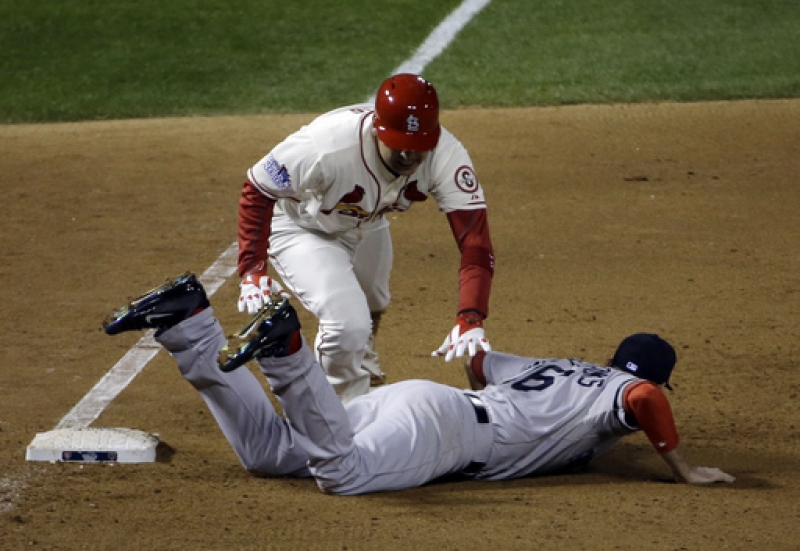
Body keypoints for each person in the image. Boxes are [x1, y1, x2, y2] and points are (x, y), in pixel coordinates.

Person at [103, 273, 735, 495]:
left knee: (271, 456)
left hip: (415, 402)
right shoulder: (614, 399)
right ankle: (288, 352)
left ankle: (189, 321)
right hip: (446, 434)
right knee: (341, 476)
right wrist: (681, 468)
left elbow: (482, 364)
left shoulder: (563, 368)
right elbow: (644, 399)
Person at [236, 73, 495, 402]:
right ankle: (338, 412)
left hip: (365, 221)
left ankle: (362, 366)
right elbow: (258, 188)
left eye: (418, 148)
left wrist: (471, 315)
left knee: (373, 302)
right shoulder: (325, 147)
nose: (408, 157)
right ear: (376, 128)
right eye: (399, 144)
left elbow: (475, 242)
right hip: (302, 228)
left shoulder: (446, 155)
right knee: (347, 325)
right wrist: (252, 268)